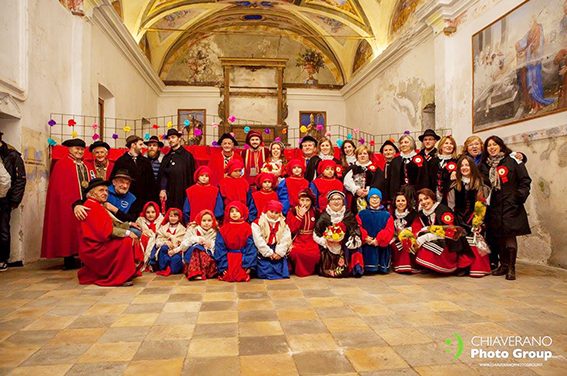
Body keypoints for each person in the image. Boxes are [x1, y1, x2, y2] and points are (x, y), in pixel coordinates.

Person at [479, 136, 531, 280]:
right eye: (489, 145)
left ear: (501, 146)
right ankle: (503, 265)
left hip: (510, 204)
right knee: (498, 237)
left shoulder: (513, 160)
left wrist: (518, 197)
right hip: (494, 205)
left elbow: (525, 180)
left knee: (509, 235)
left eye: (494, 144)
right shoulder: (485, 164)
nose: (492, 147)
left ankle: (511, 268)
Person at [77, 178, 140, 287]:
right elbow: (106, 231)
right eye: (101, 190)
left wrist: (128, 225)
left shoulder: (98, 205)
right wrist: (128, 233)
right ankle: (120, 276)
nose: (105, 193)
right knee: (125, 242)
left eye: (106, 191)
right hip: (94, 248)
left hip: (99, 243)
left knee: (131, 237)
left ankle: (128, 271)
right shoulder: (92, 207)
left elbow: (111, 224)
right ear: (92, 193)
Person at [42, 138, 93, 269]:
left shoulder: (86, 165)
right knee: (67, 230)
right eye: (77, 149)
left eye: (82, 149)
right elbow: (58, 189)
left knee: (83, 231)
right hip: (67, 204)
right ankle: (68, 258)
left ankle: (82, 256)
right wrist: (69, 202)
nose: (79, 151)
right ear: (69, 149)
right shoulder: (62, 164)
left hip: (85, 203)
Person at [447, 155, 491, 277]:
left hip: (475, 216)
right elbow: (451, 204)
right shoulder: (454, 185)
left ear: (472, 167)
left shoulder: (480, 184)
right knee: (460, 240)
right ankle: (463, 266)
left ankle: (476, 266)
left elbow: (482, 204)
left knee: (474, 238)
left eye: (467, 165)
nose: (464, 168)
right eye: (462, 165)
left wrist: (478, 221)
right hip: (459, 217)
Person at [414, 188, 473, 274]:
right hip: (438, 238)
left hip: (451, 242)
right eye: (421, 200)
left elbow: (450, 232)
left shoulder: (443, 210)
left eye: (426, 198)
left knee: (426, 243)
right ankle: (430, 266)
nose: (424, 202)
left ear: (432, 198)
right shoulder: (422, 213)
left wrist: (427, 236)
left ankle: (447, 266)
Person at [313, 190, 362, 278]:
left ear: (343, 202)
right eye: (333, 199)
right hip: (328, 246)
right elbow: (316, 233)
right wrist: (325, 241)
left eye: (339, 199)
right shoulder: (324, 216)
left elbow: (355, 229)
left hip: (344, 246)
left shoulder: (348, 215)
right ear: (329, 202)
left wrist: (352, 238)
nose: (336, 202)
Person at [0, 132, 26, 271]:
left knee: (3, 229)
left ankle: (2, 259)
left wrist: (14, 199)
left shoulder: (12, 154)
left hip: (4, 199)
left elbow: (20, 178)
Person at [214, 201, 257, 282]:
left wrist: (247, 265)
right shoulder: (224, 229)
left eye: (237, 211)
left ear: (242, 212)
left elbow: (250, 247)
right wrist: (224, 266)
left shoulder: (247, 228)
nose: (234, 213)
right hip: (228, 258)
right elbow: (219, 248)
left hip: (243, 258)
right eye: (232, 211)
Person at [251, 200, 292, 280]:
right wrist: (269, 253)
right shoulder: (258, 223)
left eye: (276, 213)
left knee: (280, 268)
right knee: (265, 270)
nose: (273, 215)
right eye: (271, 211)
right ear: (267, 210)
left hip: (277, 249)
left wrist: (279, 252)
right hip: (264, 250)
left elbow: (285, 238)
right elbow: (258, 240)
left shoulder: (283, 223)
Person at [111, 135, 157, 207]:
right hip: (126, 200)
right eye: (140, 144)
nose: (143, 147)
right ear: (133, 145)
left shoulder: (146, 162)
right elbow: (113, 180)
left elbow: (152, 183)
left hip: (144, 200)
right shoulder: (121, 161)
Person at [357, 188, 394, 274]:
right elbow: (358, 227)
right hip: (367, 244)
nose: (374, 200)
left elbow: (389, 229)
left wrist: (378, 239)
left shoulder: (386, 215)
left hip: (380, 245)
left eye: (377, 197)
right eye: (372, 197)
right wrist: (365, 237)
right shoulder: (362, 213)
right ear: (368, 199)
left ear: (380, 199)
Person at [389, 133, 429, 208]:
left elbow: (424, 178)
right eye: (401, 143)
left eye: (406, 142)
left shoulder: (420, 159)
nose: (403, 144)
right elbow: (391, 180)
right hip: (399, 194)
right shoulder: (395, 161)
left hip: (416, 193)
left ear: (412, 144)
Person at [159, 128, 196, 210]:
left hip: (183, 192)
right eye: (169, 138)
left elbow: (191, 176)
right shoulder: (166, 157)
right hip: (170, 192)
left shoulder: (187, 156)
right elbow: (163, 175)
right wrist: (163, 189)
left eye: (173, 137)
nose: (170, 140)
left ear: (179, 139)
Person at [287, 189, 320, 277]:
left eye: (307, 200)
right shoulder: (293, 211)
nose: (304, 203)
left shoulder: (316, 212)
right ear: (298, 200)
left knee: (315, 253)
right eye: (302, 200)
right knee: (296, 252)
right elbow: (292, 229)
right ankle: (299, 271)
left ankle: (311, 271)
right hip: (298, 238)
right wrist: (299, 216)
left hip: (311, 239)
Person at [343, 145, 385, 213]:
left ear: (369, 155)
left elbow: (379, 182)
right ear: (357, 156)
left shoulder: (376, 168)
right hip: (356, 199)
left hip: (372, 199)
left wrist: (368, 191)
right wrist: (356, 190)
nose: (362, 155)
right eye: (360, 154)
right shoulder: (352, 168)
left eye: (365, 153)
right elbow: (347, 182)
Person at [178, 209, 218, 280]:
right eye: (204, 220)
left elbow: (218, 247)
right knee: (197, 248)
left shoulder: (215, 232)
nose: (206, 223)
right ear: (200, 221)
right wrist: (195, 239)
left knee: (201, 250)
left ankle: (205, 272)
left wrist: (211, 244)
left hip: (208, 256)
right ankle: (195, 272)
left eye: (209, 221)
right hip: (191, 255)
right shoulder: (192, 229)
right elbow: (183, 246)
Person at [390, 190, 422, 274]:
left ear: (407, 202)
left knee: (406, 242)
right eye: (398, 201)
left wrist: (406, 232)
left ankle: (408, 265)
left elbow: (416, 227)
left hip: (410, 237)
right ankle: (397, 264)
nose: (401, 203)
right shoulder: (391, 214)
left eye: (403, 201)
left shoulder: (413, 213)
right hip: (394, 237)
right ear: (395, 202)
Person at [152, 208, 186, 276]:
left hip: (177, 251)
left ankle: (171, 266)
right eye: (171, 216)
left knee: (174, 268)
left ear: (179, 218)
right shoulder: (163, 229)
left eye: (175, 216)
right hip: (165, 251)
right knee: (164, 248)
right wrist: (165, 242)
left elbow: (184, 243)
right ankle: (164, 267)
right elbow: (157, 242)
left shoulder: (183, 230)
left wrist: (175, 248)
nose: (173, 218)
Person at [429, 135, 458, 204]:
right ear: (441, 146)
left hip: (449, 195)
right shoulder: (433, 161)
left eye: (451, 144)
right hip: (435, 192)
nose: (449, 145)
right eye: (446, 143)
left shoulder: (457, 161)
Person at [135, 201, 163, 270]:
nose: (150, 214)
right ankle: (141, 262)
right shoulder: (140, 220)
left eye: (153, 212)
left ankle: (152, 263)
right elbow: (137, 230)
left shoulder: (161, 220)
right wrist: (143, 232)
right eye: (148, 212)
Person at [379, 139, 399, 207]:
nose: (388, 152)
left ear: (394, 152)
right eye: (385, 150)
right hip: (382, 198)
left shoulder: (399, 165)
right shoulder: (379, 166)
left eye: (390, 150)